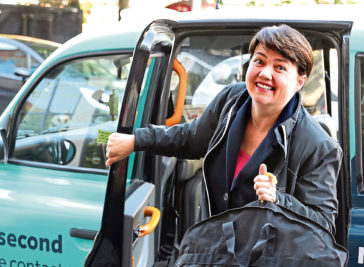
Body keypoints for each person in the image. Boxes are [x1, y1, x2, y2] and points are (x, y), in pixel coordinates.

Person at [105, 24, 342, 232]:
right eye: (259, 61)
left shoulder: (318, 145)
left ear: (299, 81)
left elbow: (323, 223)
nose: (265, 73)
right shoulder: (232, 100)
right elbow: (191, 139)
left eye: (280, 67)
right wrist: (136, 140)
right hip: (211, 252)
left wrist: (278, 200)